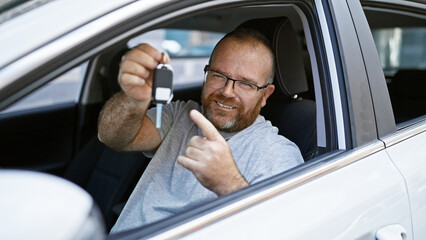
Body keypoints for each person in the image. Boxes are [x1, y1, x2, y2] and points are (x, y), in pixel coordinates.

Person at [98, 27, 303, 233]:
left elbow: (284, 231)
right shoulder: (180, 113)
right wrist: (133, 98)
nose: (227, 91)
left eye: (245, 84)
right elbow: (113, 137)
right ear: (206, 73)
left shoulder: (278, 153)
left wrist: (229, 184)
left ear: (265, 95)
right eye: (218, 75)